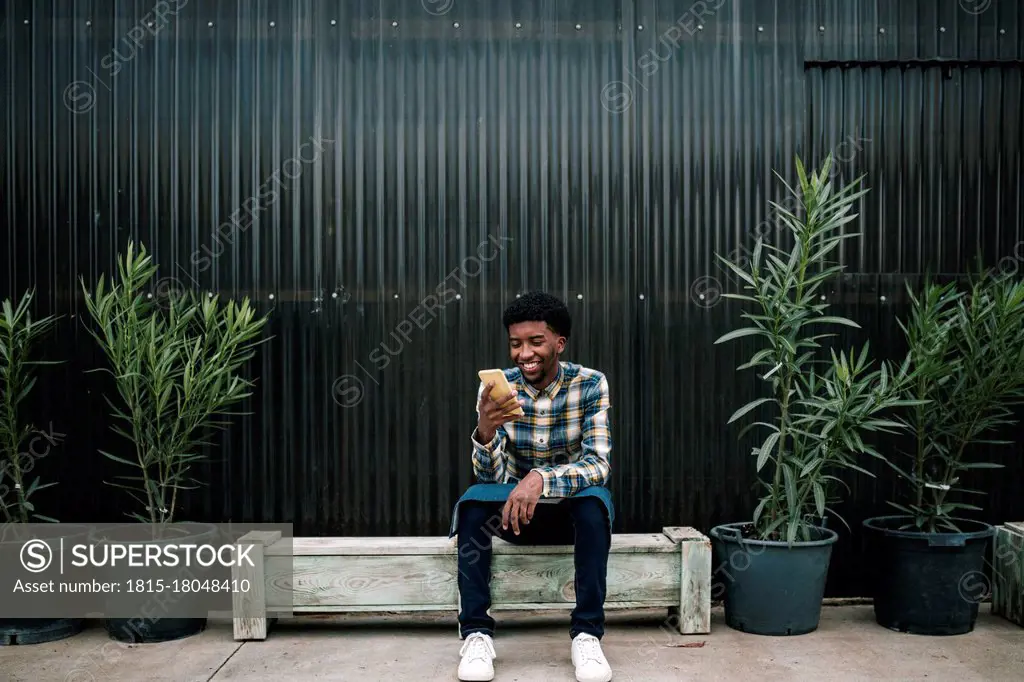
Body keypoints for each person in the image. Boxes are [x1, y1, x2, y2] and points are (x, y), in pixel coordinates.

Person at [450, 291, 615, 682]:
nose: (524, 353)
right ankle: (475, 633)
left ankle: (587, 635)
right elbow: (490, 480)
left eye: (536, 342)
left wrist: (541, 478)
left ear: (559, 343)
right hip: (513, 517)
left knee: (594, 506)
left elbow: (598, 464)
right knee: (473, 507)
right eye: (516, 343)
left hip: (568, 518)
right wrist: (485, 431)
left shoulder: (590, 384)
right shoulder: (497, 388)